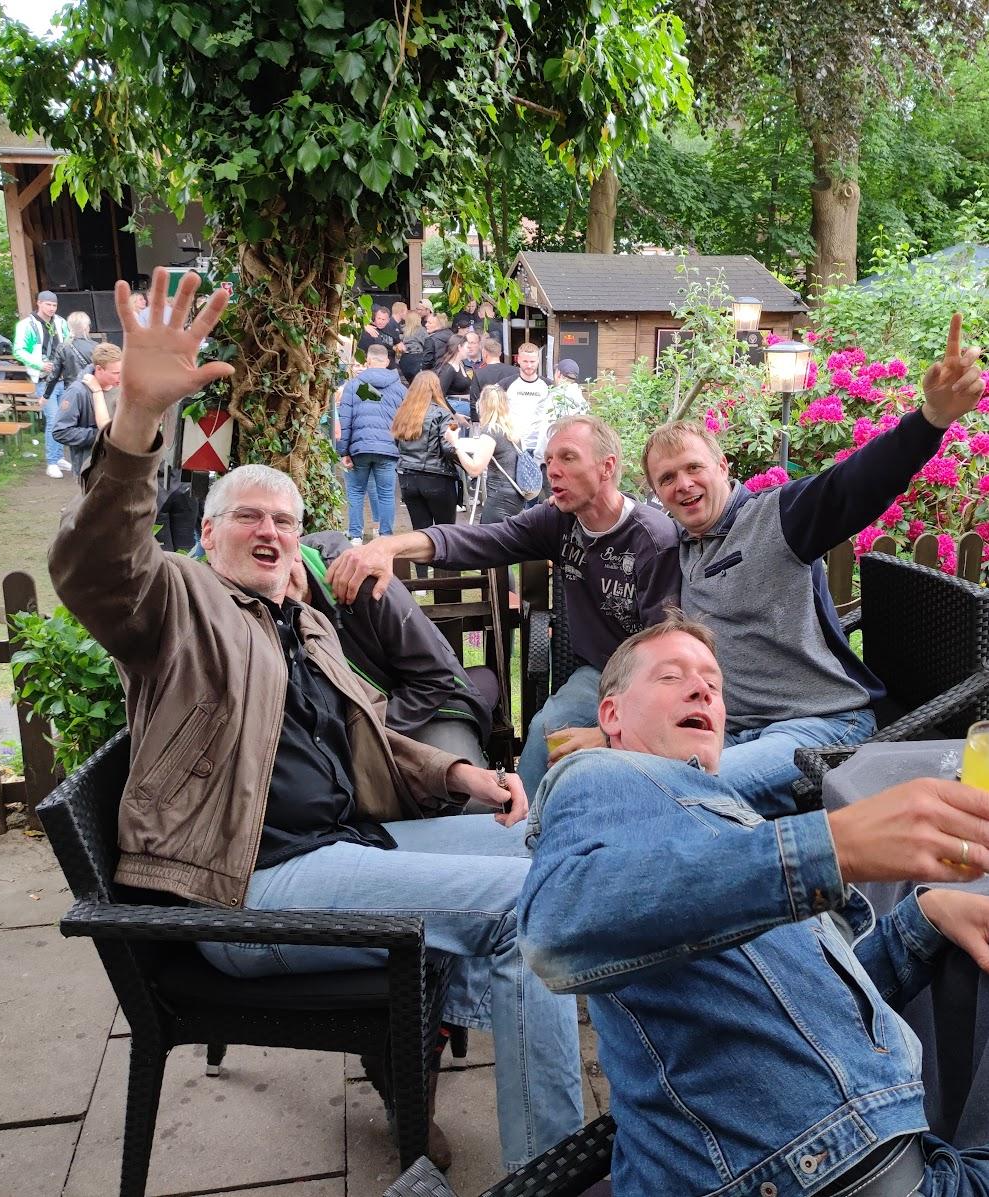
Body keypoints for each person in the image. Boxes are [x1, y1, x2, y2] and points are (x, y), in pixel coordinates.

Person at [48, 268, 586, 1173]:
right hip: (246, 894)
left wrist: (462, 776)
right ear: (208, 534)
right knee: (523, 908)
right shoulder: (179, 603)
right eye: (247, 517)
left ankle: (439, 1061)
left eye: (287, 521)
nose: (270, 532)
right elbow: (97, 563)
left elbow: (371, 734)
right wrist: (137, 419)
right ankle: (555, 1169)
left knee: (553, 858)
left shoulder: (297, 620)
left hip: (345, 848)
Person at [519, 612, 989, 1197]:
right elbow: (558, 925)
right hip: (830, 1172)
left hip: (870, 1156)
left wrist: (926, 919)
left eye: (714, 685)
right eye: (671, 677)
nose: (702, 690)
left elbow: (810, 1006)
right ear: (610, 716)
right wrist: (831, 846)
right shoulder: (604, 776)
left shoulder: (715, 826)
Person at [641, 312, 985, 814]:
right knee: (625, 774)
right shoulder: (685, 544)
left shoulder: (777, 517)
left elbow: (854, 486)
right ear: (658, 496)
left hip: (817, 725)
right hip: (733, 729)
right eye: (667, 478)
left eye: (694, 467)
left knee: (677, 798)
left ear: (723, 468)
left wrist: (931, 418)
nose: (684, 484)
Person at [328, 413, 682, 798]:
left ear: (606, 466)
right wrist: (391, 545)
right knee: (548, 729)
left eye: (567, 458)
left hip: (648, 681)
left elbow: (667, 656)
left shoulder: (653, 539)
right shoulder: (558, 522)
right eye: (548, 462)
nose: (552, 472)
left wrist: (611, 730)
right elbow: (479, 540)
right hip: (597, 673)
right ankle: (520, 832)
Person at [294, 531, 495, 763]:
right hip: (351, 725)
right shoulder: (256, 611)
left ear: (294, 539)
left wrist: (364, 732)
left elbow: (434, 680)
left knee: (466, 795)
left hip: (431, 709)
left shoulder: (362, 581)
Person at [335, 342, 404, 543]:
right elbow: (407, 419)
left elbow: (345, 420)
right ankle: (385, 536)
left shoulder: (355, 386)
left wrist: (343, 452)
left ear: (368, 361)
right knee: (386, 494)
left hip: (359, 447)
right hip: (388, 449)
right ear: (388, 361)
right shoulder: (399, 388)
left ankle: (355, 535)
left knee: (356, 492)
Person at [390, 370, 461, 536]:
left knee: (420, 533)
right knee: (446, 534)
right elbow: (449, 448)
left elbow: (396, 442)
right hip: (438, 477)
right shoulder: (445, 415)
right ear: (436, 389)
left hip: (408, 478)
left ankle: (421, 563)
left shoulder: (402, 413)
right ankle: (444, 562)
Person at [444, 384, 526, 525]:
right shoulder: (509, 429)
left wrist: (455, 443)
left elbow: (475, 470)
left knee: (487, 543)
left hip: (500, 499)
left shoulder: (491, 430)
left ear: (482, 405)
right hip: (515, 496)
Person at [13, 290, 71, 477]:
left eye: (54, 305)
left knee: (63, 419)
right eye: (48, 304)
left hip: (63, 377)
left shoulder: (61, 323)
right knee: (53, 418)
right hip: (44, 379)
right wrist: (39, 364)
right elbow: (19, 350)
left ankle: (59, 456)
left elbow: (68, 343)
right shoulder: (26, 325)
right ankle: (51, 461)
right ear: (39, 303)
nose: (52, 308)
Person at [51, 343, 123, 476]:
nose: (121, 377)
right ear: (99, 369)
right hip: (90, 469)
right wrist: (101, 436)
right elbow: (60, 431)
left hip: (120, 467)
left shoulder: (123, 388)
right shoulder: (78, 392)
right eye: (115, 373)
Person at [504, 342, 551, 462]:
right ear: (518, 359)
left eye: (532, 361)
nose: (529, 365)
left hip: (540, 448)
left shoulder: (549, 386)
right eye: (525, 361)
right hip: (513, 446)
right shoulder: (506, 384)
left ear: (538, 360)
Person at [50, 311, 98, 391]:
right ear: (86, 327)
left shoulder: (62, 347)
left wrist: (46, 395)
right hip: (91, 389)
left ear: (69, 327)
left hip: (71, 390)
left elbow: (54, 374)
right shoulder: (96, 346)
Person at [434, 333, 474, 420]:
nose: (469, 350)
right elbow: (440, 395)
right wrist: (454, 414)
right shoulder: (448, 369)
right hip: (455, 410)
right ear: (459, 347)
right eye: (467, 347)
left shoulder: (461, 364)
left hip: (464, 409)